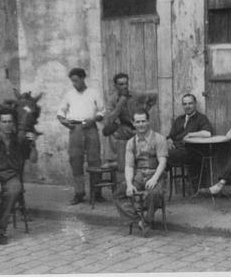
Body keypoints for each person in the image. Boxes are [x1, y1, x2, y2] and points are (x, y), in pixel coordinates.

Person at [0, 107, 35, 245]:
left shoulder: (18, 141)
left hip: (11, 177)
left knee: (15, 189)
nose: (7, 124)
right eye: (4, 122)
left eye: (10, 121)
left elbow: (33, 159)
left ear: (14, 123)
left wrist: (33, 144)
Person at [113, 109, 168, 236]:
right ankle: (139, 221)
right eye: (138, 122)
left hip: (155, 174)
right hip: (139, 175)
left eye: (143, 121)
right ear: (133, 123)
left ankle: (148, 220)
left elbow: (163, 162)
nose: (141, 124)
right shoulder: (131, 142)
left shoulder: (159, 139)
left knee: (154, 193)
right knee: (118, 194)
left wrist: (154, 179)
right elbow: (129, 166)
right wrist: (129, 184)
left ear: (148, 122)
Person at [57, 68, 105, 205]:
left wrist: (94, 119)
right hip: (75, 129)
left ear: (83, 78)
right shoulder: (69, 95)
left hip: (90, 127)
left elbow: (102, 110)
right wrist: (65, 122)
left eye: (76, 80)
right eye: (72, 81)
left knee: (94, 159)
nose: (74, 83)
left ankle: (97, 193)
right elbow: (60, 112)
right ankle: (79, 193)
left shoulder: (93, 93)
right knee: (75, 159)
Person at [104, 73, 157, 176]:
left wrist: (146, 110)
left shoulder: (136, 95)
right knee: (108, 130)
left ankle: (141, 163)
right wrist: (120, 104)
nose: (124, 86)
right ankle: (113, 160)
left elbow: (154, 94)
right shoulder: (113, 99)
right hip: (125, 127)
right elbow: (110, 119)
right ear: (115, 86)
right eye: (121, 84)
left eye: (126, 83)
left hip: (138, 126)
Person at [167, 94, 213, 191]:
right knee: (160, 154)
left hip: (191, 151)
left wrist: (191, 134)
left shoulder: (201, 118)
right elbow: (171, 136)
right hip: (176, 150)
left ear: (195, 104)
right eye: (185, 104)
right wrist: (169, 141)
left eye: (190, 103)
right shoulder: (179, 119)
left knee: (163, 156)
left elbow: (207, 133)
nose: (187, 106)